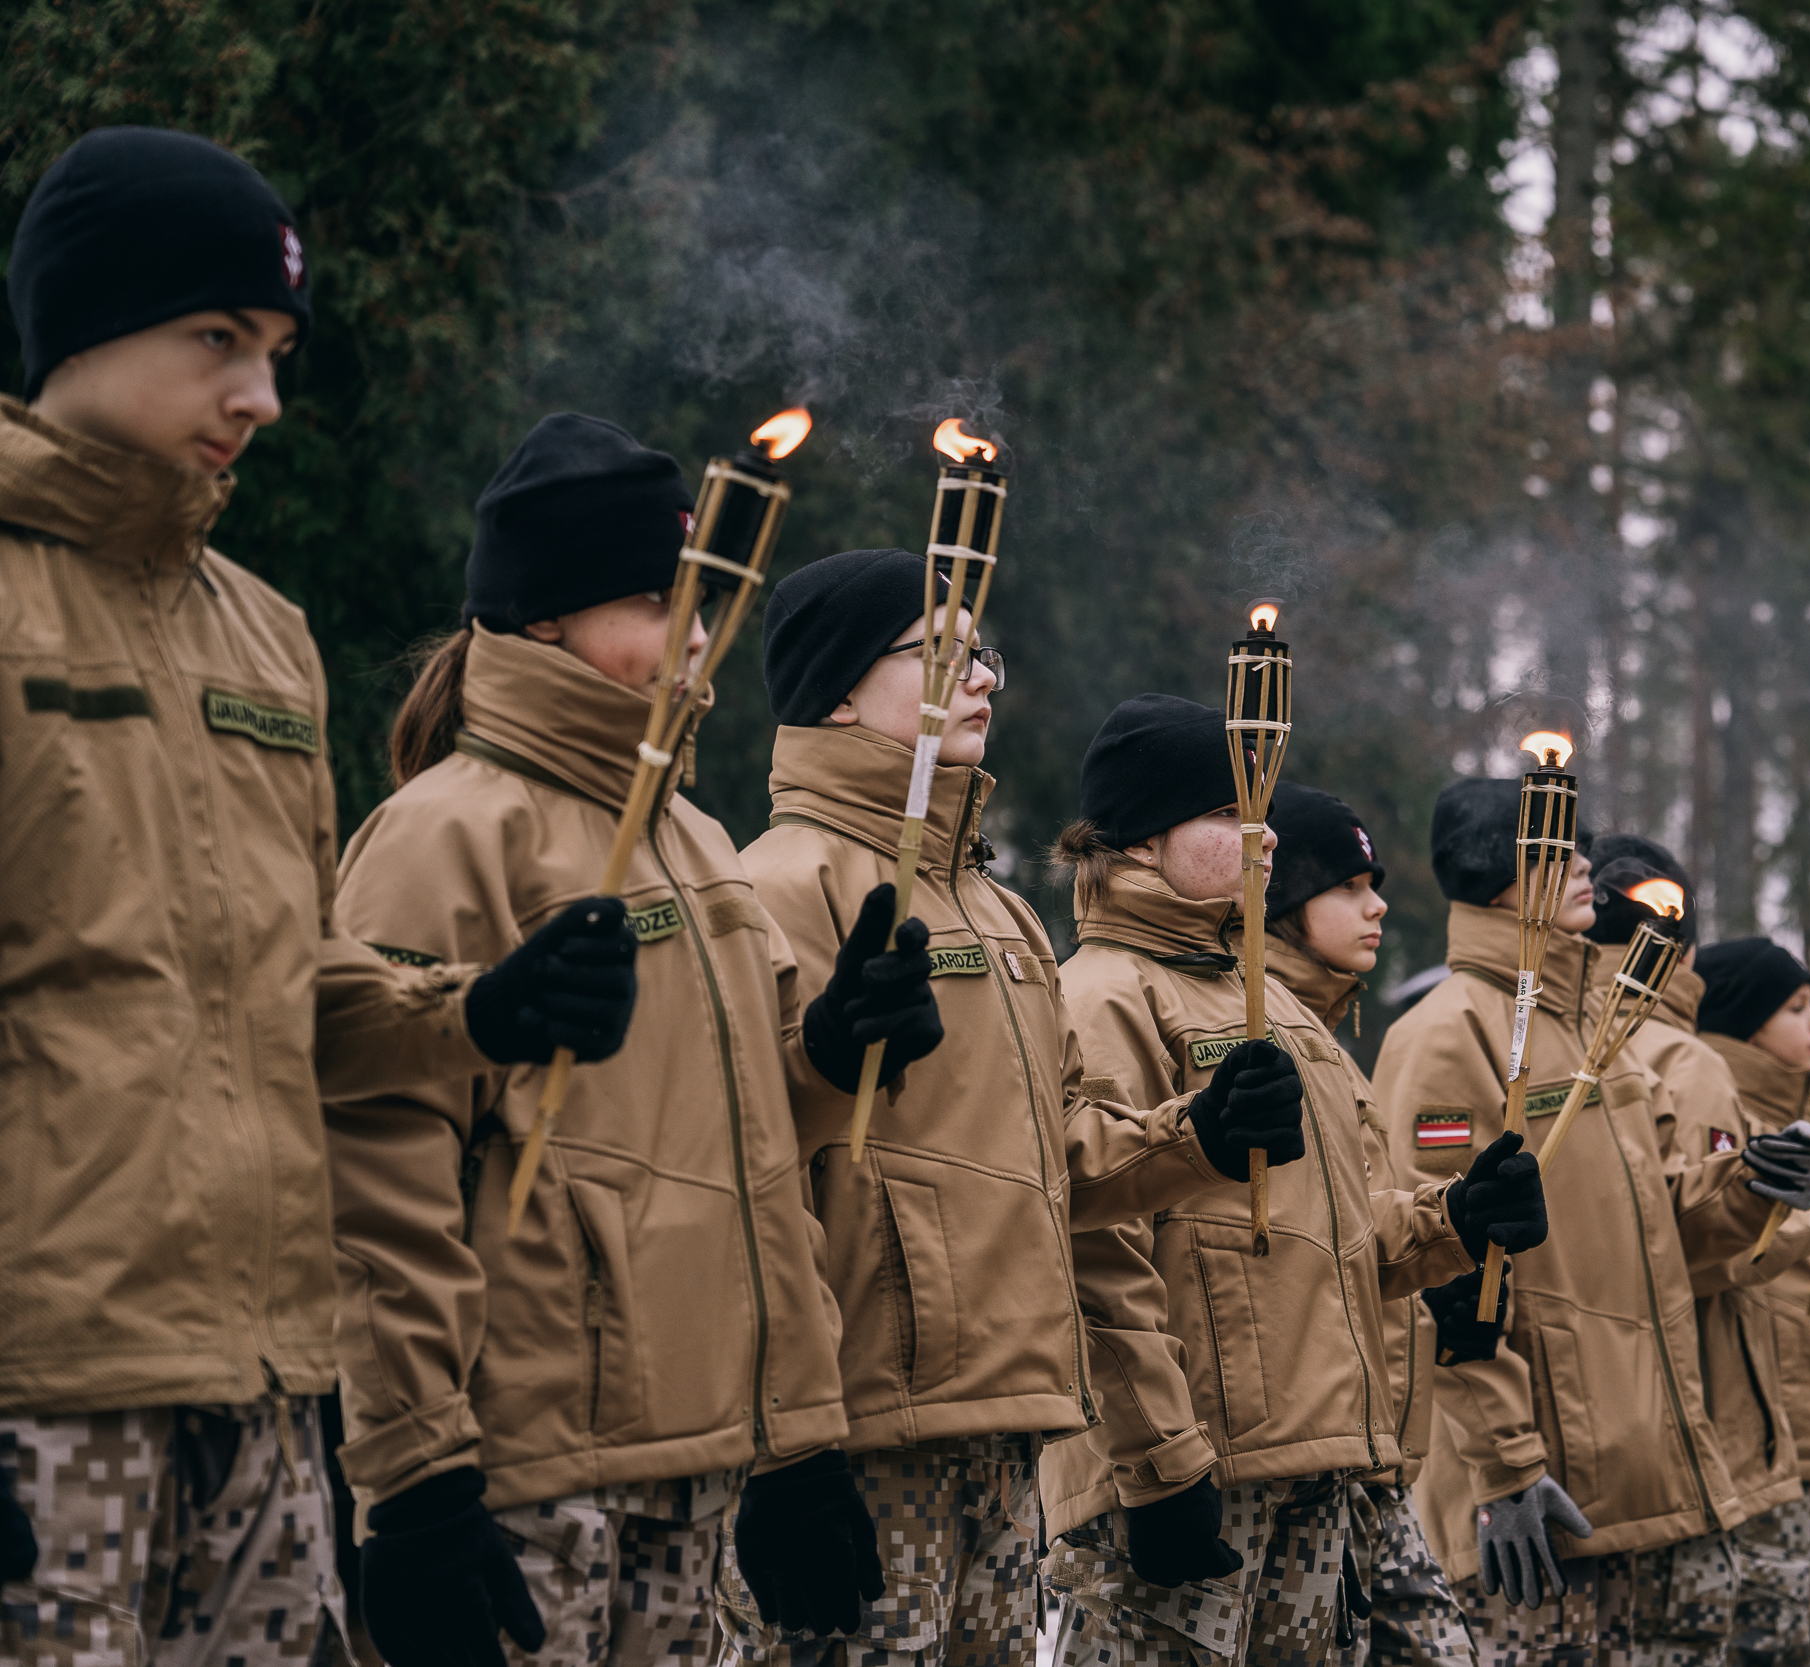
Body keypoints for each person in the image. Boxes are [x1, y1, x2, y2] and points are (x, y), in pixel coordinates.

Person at [0, 131, 640, 1667]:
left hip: (271, 1395)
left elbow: (283, 993)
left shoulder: (265, 641)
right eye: (217, 339)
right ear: (80, 324)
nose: (260, 399)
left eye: (277, 351)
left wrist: (469, 1009)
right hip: (47, 1387)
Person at [324, 416, 917, 1667]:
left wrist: (825, 1053)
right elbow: (383, 1181)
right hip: (530, 1473)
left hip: (697, 1465)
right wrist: (417, 1477)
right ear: (545, 618)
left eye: (703, 602)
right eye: (658, 601)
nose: (697, 638)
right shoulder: (443, 835)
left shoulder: (694, 840)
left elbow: (756, 1158)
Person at [723, 550, 1310, 1665]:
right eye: (941, 652)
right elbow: (743, 1180)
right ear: (839, 690)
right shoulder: (775, 886)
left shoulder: (1003, 916)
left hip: (1006, 1422)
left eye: (984, 651)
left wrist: (1197, 1134)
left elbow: (1061, 1161)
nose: (984, 675)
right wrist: (782, 1446)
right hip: (856, 1432)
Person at [1040, 698, 1535, 1665]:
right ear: (1142, 842)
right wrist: (1157, 1463)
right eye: (1230, 814)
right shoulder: (1103, 993)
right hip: (1194, 1471)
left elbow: (1343, 1239)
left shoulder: (1280, 1010)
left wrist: (1454, 1219)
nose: (1261, 833)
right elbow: (1094, 1249)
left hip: (1315, 1458)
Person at [1377, 793, 1810, 1667]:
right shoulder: (1446, 1035)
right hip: (1539, 1495)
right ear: (1498, 878)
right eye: (1561, 852)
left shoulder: (1600, 1030)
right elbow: (1438, 1273)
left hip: (1647, 1474)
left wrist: (1754, 1186)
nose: (1589, 867)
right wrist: (1505, 1465)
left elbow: (1669, 1227)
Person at [1584, 838, 1810, 1667]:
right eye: (1797, 1006)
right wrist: (1806, 1213)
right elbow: (1690, 1248)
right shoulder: (1682, 1062)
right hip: (1710, 1425)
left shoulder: (1589, 1041)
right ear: (1679, 948)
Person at [1257, 781, 1489, 1667]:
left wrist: (1456, 1218)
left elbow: (1353, 1233)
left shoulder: (1328, 1040)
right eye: (1349, 885)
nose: (1378, 903)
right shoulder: (1258, 1032)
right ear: (1283, 901)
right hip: (1291, 1459)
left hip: (1369, 1461)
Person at [1691, 943, 1810, 1667]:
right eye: (1794, 1008)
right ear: (1743, 1022)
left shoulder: (1805, 1122)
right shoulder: (1731, 1115)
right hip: (1762, 1430)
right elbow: (1729, 1259)